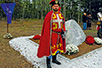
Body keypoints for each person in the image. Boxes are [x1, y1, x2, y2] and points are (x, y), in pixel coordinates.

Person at [37, 0, 66, 68]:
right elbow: (46, 26)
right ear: (52, 7)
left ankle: (54, 59)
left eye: (57, 6)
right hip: (52, 34)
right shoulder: (50, 15)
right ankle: (48, 63)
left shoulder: (60, 14)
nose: (56, 7)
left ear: (59, 7)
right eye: (55, 6)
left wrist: (63, 30)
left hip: (59, 34)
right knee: (50, 48)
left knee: (57, 47)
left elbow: (63, 23)